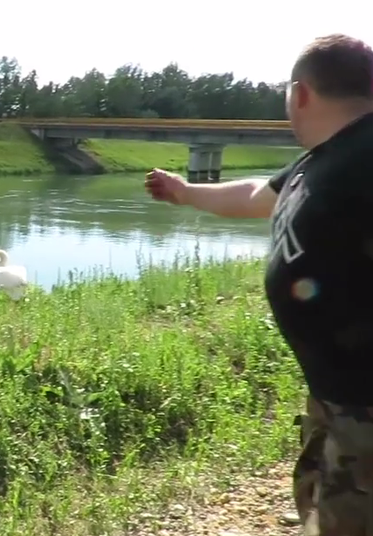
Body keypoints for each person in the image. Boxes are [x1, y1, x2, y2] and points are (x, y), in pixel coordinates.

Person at [145, 33, 373, 535]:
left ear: (301, 93)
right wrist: (185, 193)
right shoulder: (320, 161)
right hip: (337, 397)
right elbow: (254, 194)